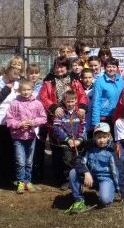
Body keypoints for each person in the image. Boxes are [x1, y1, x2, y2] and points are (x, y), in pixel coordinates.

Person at [38, 58, 88, 186]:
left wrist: (81, 107)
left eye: (62, 67)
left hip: (73, 118)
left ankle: (75, 177)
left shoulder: (74, 80)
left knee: (74, 149)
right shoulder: (48, 81)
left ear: (67, 67)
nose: (60, 69)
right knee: (58, 152)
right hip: (56, 119)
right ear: (53, 68)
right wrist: (54, 108)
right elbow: (43, 98)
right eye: (57, 67)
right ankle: (61, 179)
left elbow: (82, 95)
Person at [65, 122, 124, 214]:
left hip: (106, 179)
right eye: (99, 137)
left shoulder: (113, 151)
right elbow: (78, 160)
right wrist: (86, 172)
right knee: (73, 172)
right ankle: (79, 200)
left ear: (109, 137)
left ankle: (108, 190)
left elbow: (119, 172)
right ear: (94, 137)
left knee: (105, 200)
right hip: (91, 177)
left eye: (104, 137)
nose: (101, 140)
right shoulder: (89, 147)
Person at [5, 79, 47, 193]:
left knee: (29, 161)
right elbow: (9, 119)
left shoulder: (37, 103)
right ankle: (20, 182)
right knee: (20, 161)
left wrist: (32, 122)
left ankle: (28, 181)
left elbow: (43, 118)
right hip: (18, 137)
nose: (26, 92)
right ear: (19, 90)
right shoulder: (15, 103)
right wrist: (19, 124)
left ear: (33, 90)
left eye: (28, 89)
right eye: (23, 90)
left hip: (31, 136)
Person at [0, 65, 20, 186]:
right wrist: (7, 88)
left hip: (14, 122)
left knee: (12, 149)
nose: (16, 77)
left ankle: (11, 176)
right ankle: (1, 177)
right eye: (14, 74)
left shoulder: (17, 84)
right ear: (7, 73)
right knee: (2, 149)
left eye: (18, 75)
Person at [52, 90, 87, 189]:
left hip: (78, 143)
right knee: (67, 161)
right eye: (68, 102)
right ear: (63, 101)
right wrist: (68, 140)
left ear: (76, 101)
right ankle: (68, 181)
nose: (70, 104)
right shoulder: (60, 114)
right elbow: (56, 129)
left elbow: (83, 127)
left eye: (72, 101)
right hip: (66, 142)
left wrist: (79, 140)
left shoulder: (79, 113)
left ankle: (80, 180)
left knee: (79, 160)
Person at [89, 58, 124, 135]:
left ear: (117, 68)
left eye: (114, 66)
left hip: (119, 115)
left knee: (118, 142)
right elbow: (96, 102)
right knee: (104, 141)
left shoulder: (120, 80)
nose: (111, 69)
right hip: (105, 117)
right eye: (109, 67)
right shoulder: (99, 82)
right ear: (104, 68)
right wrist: (96, 122)